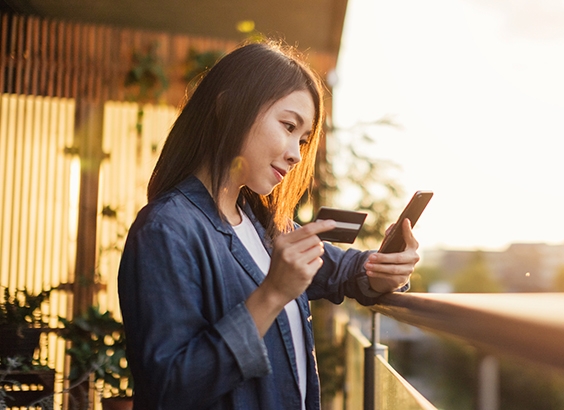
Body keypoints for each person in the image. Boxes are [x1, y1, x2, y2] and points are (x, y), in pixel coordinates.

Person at [117, 41, 420, 410]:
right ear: (228, 109)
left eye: (303, 139)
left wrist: (387, 269)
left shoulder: (264, 226)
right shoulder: (166, 229)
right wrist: (272, 295)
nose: (296, 153)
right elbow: (169, 388)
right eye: (288, 126)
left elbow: (345, 270)